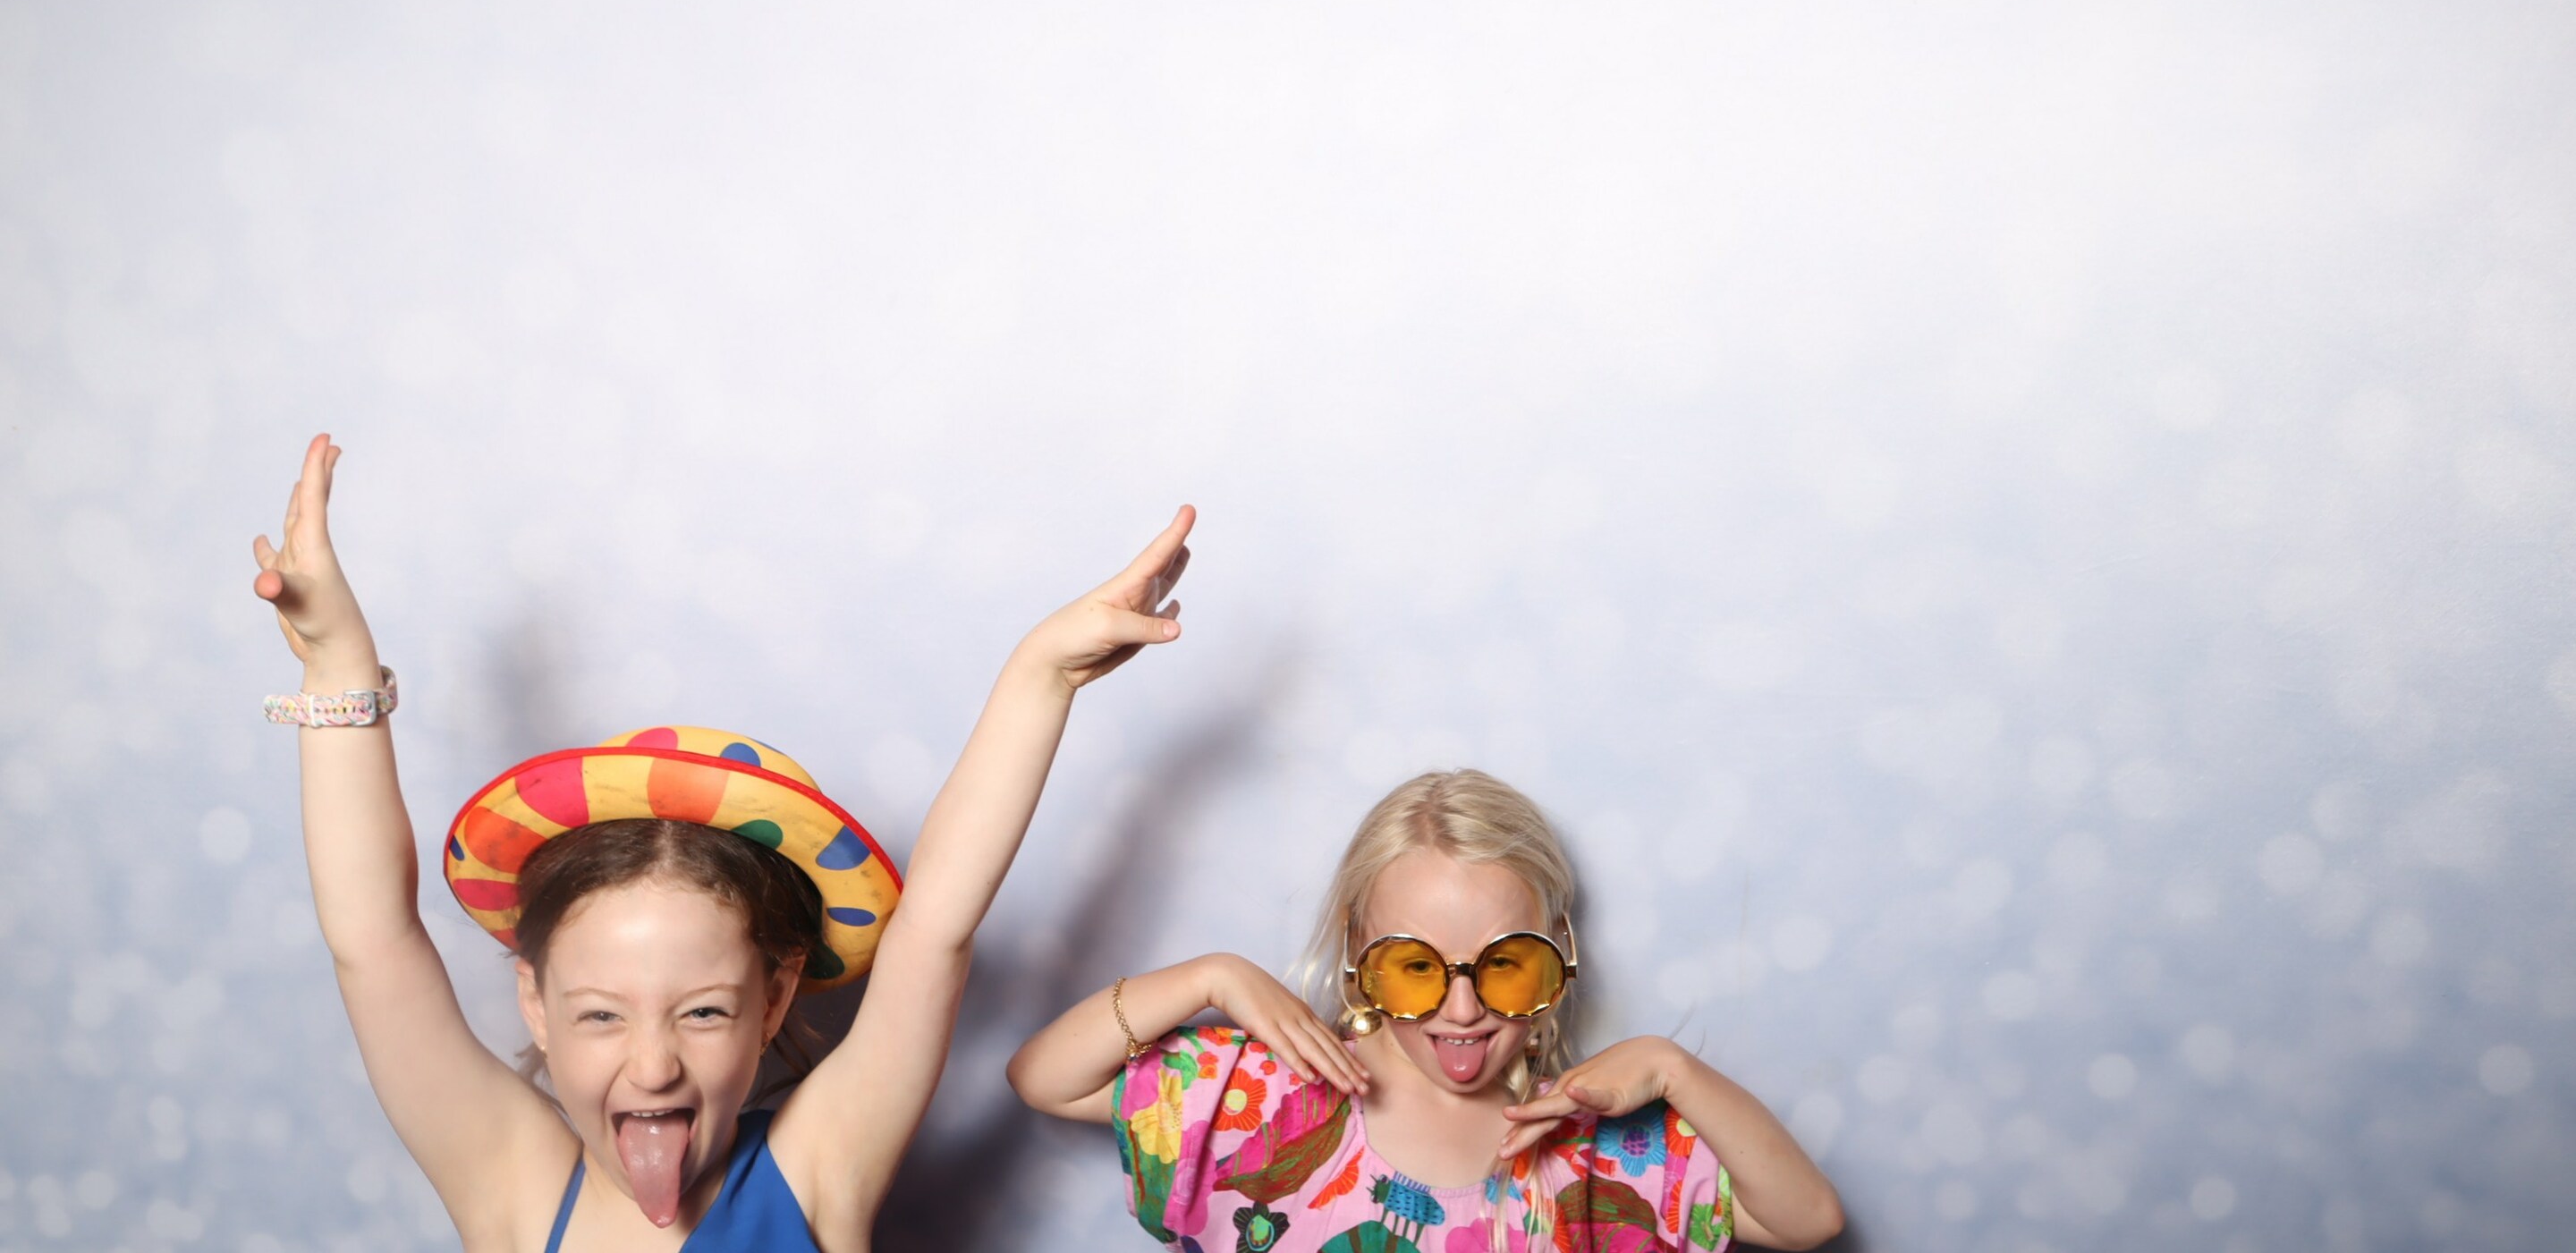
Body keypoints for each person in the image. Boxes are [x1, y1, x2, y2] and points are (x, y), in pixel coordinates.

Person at [252, 432, 1192, 1252]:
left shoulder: (819, 1169)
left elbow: (934, 925)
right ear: (535, 1002)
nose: (653, 1064)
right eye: (601, 1015)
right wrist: (337, 668)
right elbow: (374, 941)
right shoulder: (511, 1182)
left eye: (701, 1012)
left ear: (774, 997)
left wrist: (1041, 678)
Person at [1008, 769, 1843, 1251]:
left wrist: (1672, 1067)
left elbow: (1808, 1220)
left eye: (1504, 964)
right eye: (1416, 968)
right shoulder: (1260, 1094)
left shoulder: (1599, 1152)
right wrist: (1210, 977)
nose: (1463, 1008)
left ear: (1558, 951)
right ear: (1357, 951)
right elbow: (1043, 1076)